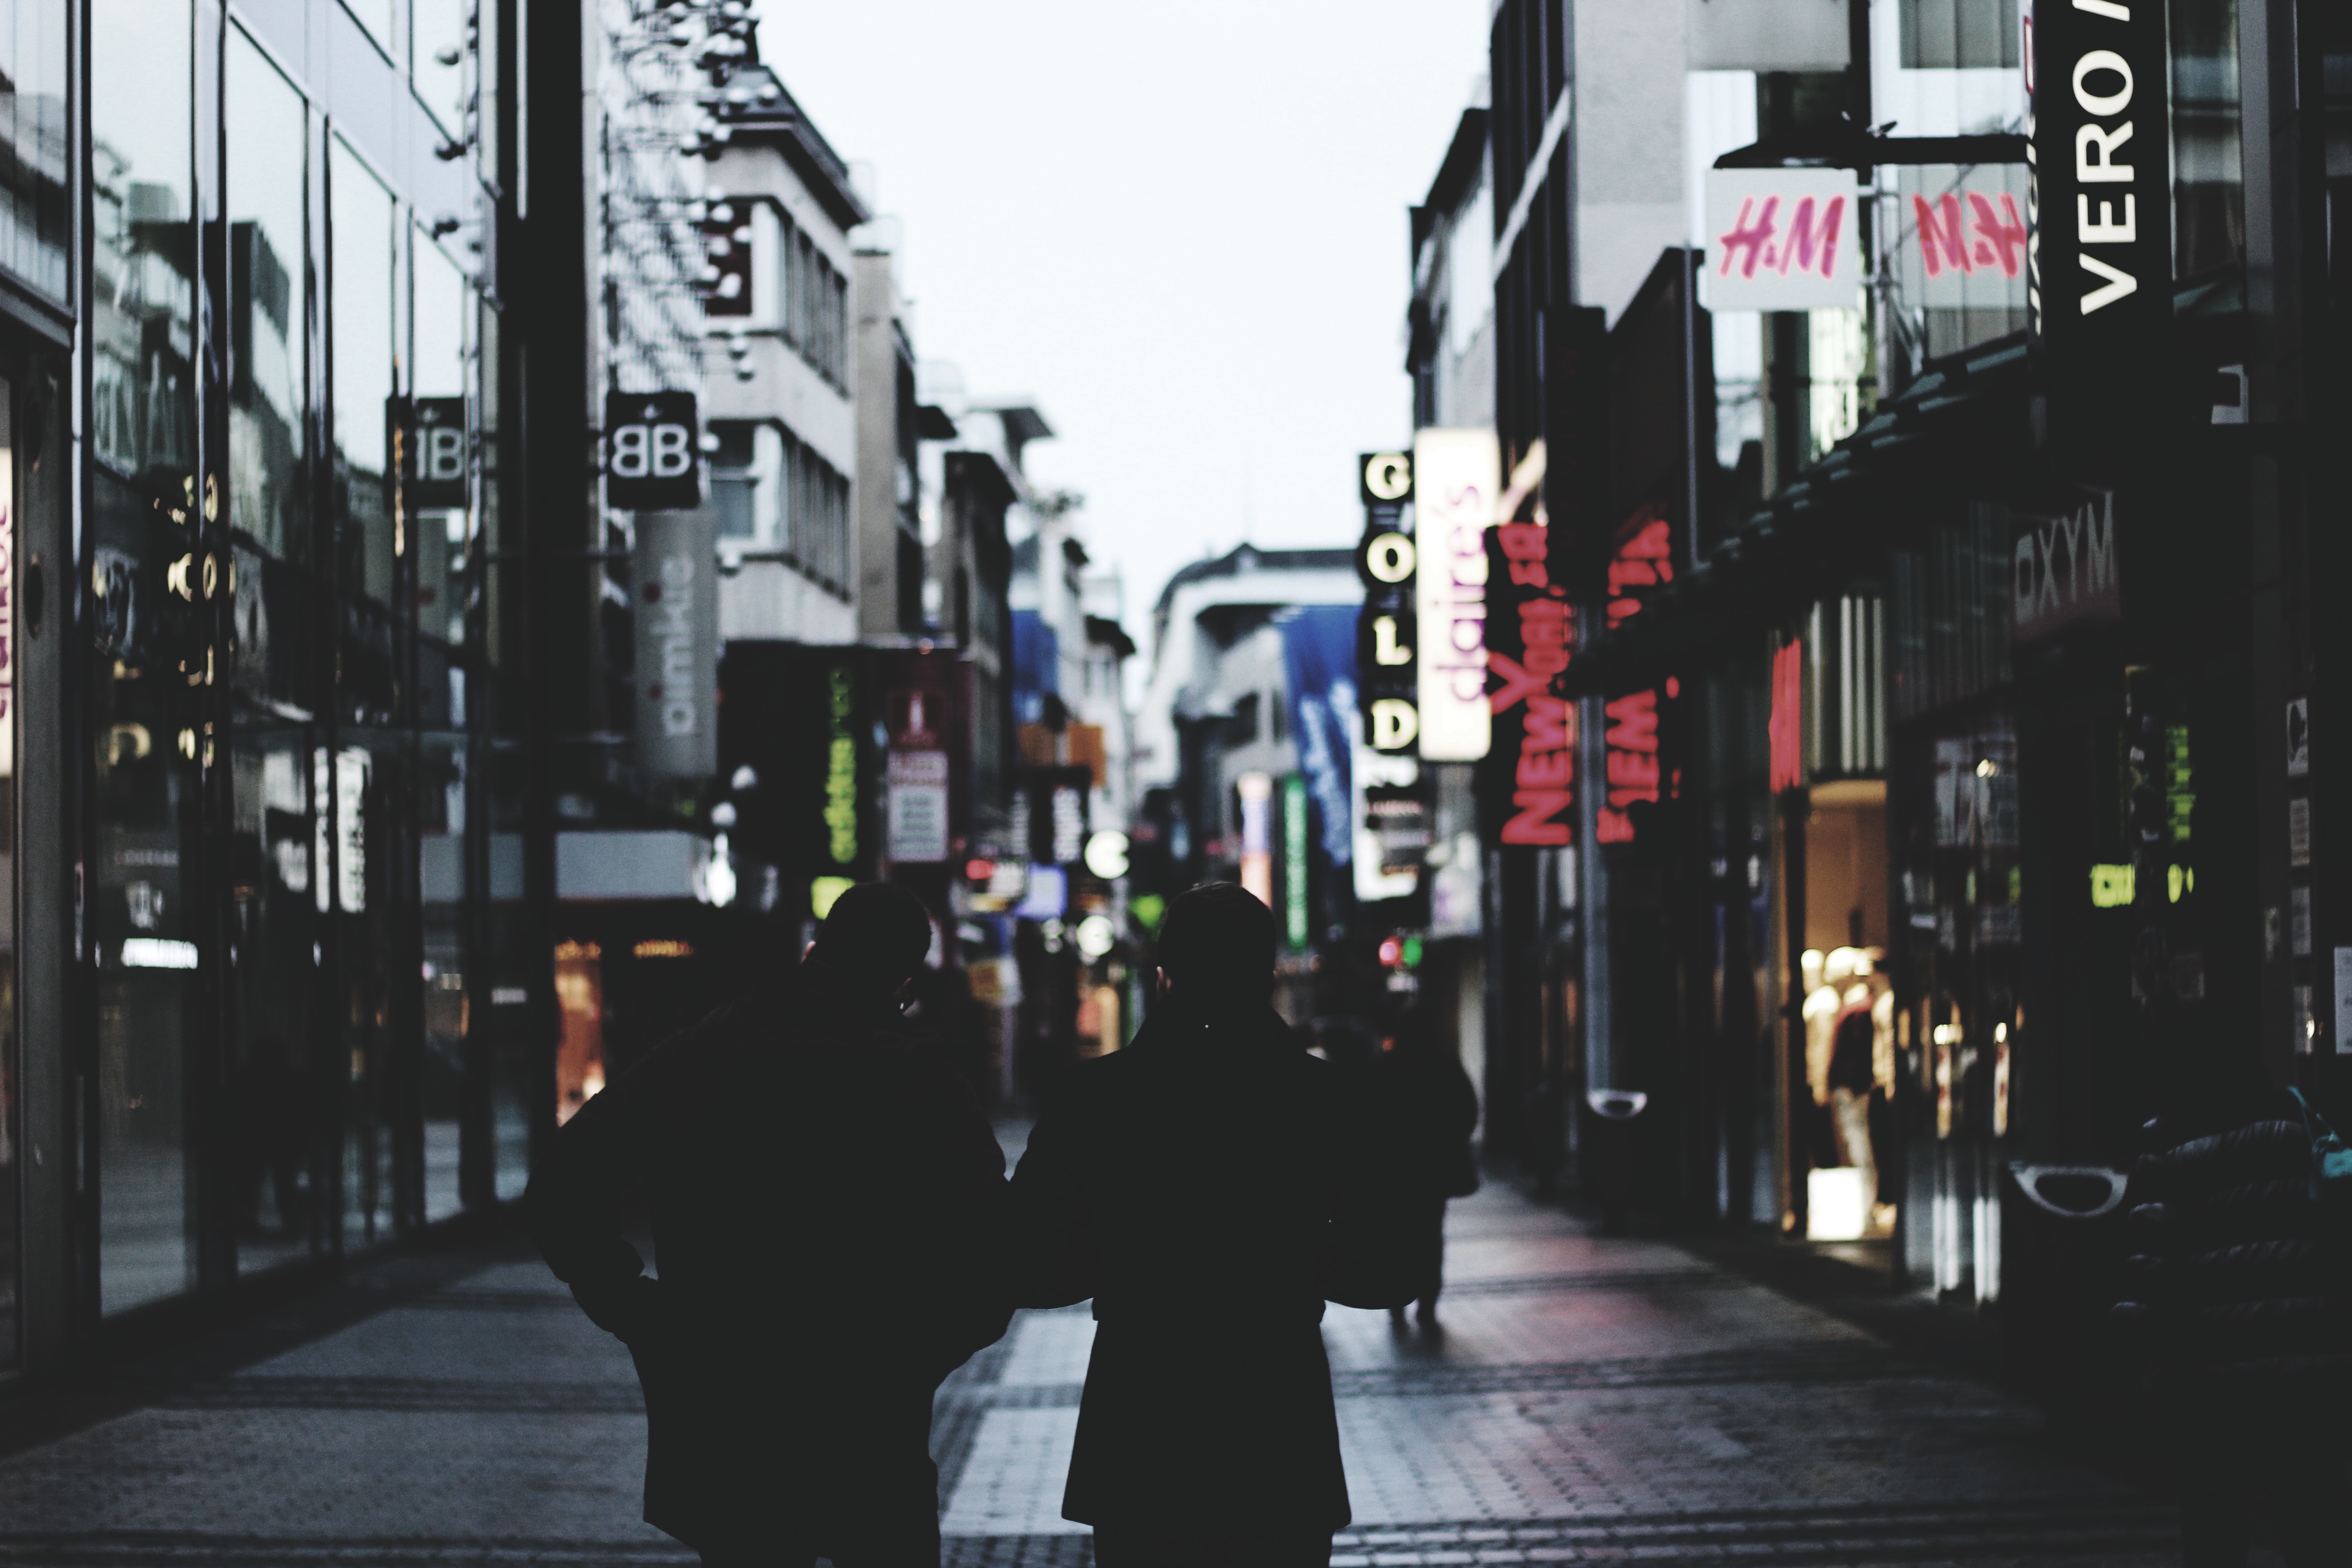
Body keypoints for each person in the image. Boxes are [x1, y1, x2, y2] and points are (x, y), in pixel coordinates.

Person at [525, 882, 1010, 1568]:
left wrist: (636, 1310)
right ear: (903, 982)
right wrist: (930, 1347)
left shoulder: (703, 1054)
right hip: (868, 1403)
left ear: (816, 951)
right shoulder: (915, 1078)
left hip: (730, 1398)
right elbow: (993, 1239)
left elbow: (562, 1187)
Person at [1006, 882, 1411, 1568]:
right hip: (1277, 1413)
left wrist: (1125, 1262)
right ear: (1269, 973)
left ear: (1164, 975)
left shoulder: (1097, 1097)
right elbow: (1386, 1266)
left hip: (1142, 1411)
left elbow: (1028, 1260)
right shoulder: (1326, 1098)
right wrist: (1290, 1264)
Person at [2114, 1041, 2351, 1568]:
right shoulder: (2302, 1118)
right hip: (2308, 1358)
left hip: (2213, 1370)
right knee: (2315, 1522)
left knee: (2215, 1527)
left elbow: (2148, 1260)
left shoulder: (2167, 1136)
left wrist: (2139, 1364)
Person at [1372, 1008, 1480, 1334]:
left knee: (1396, 1236)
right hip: (1434, 1168)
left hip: (1395, 1170)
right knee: (1431, 1236)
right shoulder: (1444, 1064)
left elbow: (1368, 1116)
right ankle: (1428, 1304)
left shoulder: (1387, 1065)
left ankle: (1396, 1302)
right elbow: (1467, 1110)